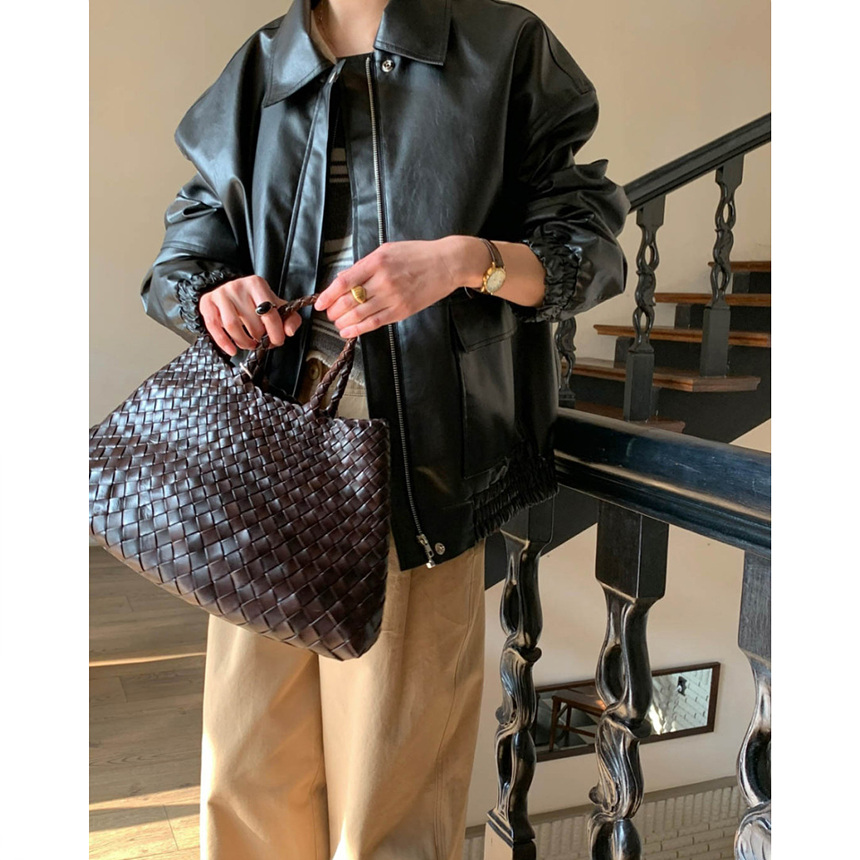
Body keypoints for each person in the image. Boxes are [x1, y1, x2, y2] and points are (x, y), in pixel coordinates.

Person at [140, 1, 629, 858]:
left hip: (421, 464)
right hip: (267, 451)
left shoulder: (501, 47)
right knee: (246, 771)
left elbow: (585, 248)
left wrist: (464, 261)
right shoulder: (264, 63)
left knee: (388, 791)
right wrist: (214, 295)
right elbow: (186, 253)